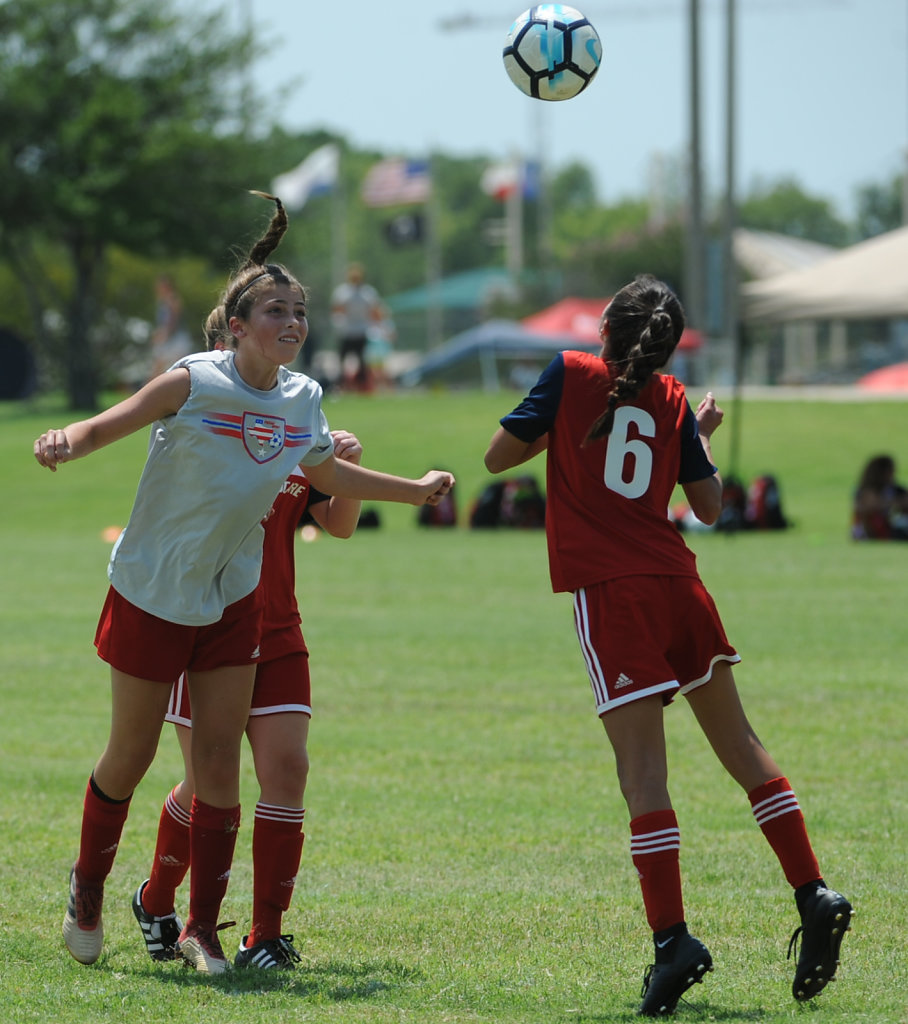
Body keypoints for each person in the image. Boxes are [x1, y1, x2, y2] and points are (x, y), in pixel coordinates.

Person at [34, 191, 454, 976]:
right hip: (154, 587)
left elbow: (330, 476)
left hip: (233, 598)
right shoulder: (193, 382)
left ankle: (202, 930)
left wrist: (416, 487)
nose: (292, 324)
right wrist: (64, 440)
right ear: (236, 327)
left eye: (299, 313)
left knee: (221, 766)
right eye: (275, 312)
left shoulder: (304, 401)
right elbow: (110, 422)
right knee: (128, 755)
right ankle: (88, 888)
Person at [484, 274, 851, 1016]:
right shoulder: (675, 399)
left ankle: (673, 941)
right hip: (681, 589)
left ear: (607, 330)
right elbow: (709, 508)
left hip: (614, 596)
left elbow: (497, 458)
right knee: (743, 747)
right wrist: (695, 440)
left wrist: (565, 423)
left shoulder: (571, 373)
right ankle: (813, 891)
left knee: (643, 777)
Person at [133, 425, 363, 970]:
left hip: (280, 631)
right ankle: (158, 902)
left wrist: (346, 468)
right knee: (208, 784)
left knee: (288, 769)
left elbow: (340, 524)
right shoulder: (205, 430)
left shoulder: (295, 424)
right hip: (209, 628)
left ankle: (264, 936)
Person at [331, 262, 383, 391]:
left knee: (362, 362)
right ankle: (341, 387)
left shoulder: (368, 293)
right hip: (347, 331)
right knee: (342, 361)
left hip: (361, 331)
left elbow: (375, 312)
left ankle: (362, 387)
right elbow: (337, 310)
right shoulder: (343, 292)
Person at [851, 454, 908, 540]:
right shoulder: (866, 490)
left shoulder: (896, 489)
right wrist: (894, 502)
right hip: (870, 529)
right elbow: (869, 506)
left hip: (892, 526)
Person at [149, 273, 193, 379]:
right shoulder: (162, 301)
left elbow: (173, 321)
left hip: (176, 339)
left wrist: (164, 334)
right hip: (169, 338)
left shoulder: (172, 300)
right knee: (159, 367)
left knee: (175, 368)